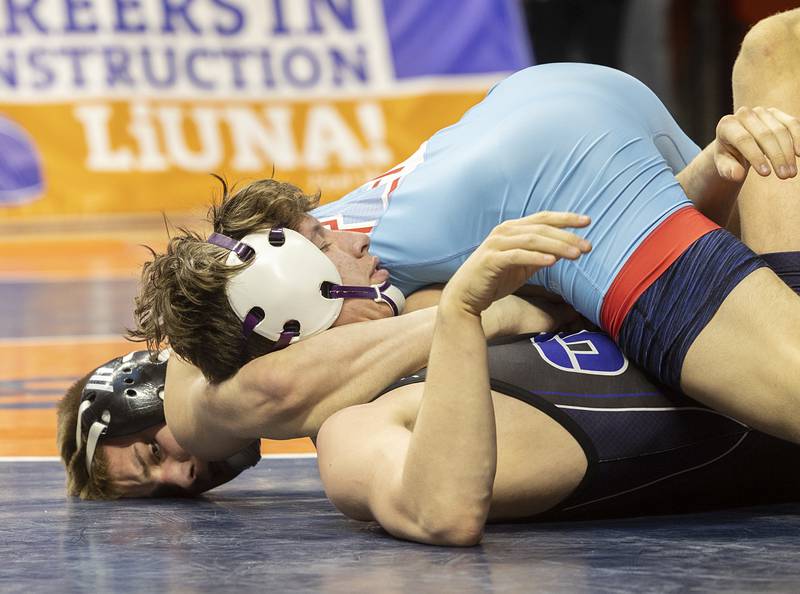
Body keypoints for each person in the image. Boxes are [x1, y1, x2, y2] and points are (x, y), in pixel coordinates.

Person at [59, 9, 800, 499]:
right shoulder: (281, 256)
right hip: (566, 115)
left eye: (153, 460)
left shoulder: (206, 382)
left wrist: (469, 312)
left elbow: (268, 397)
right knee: (774, 50)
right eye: (171, 486)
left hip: (565, 175)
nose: (187, 473)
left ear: (139, 390)